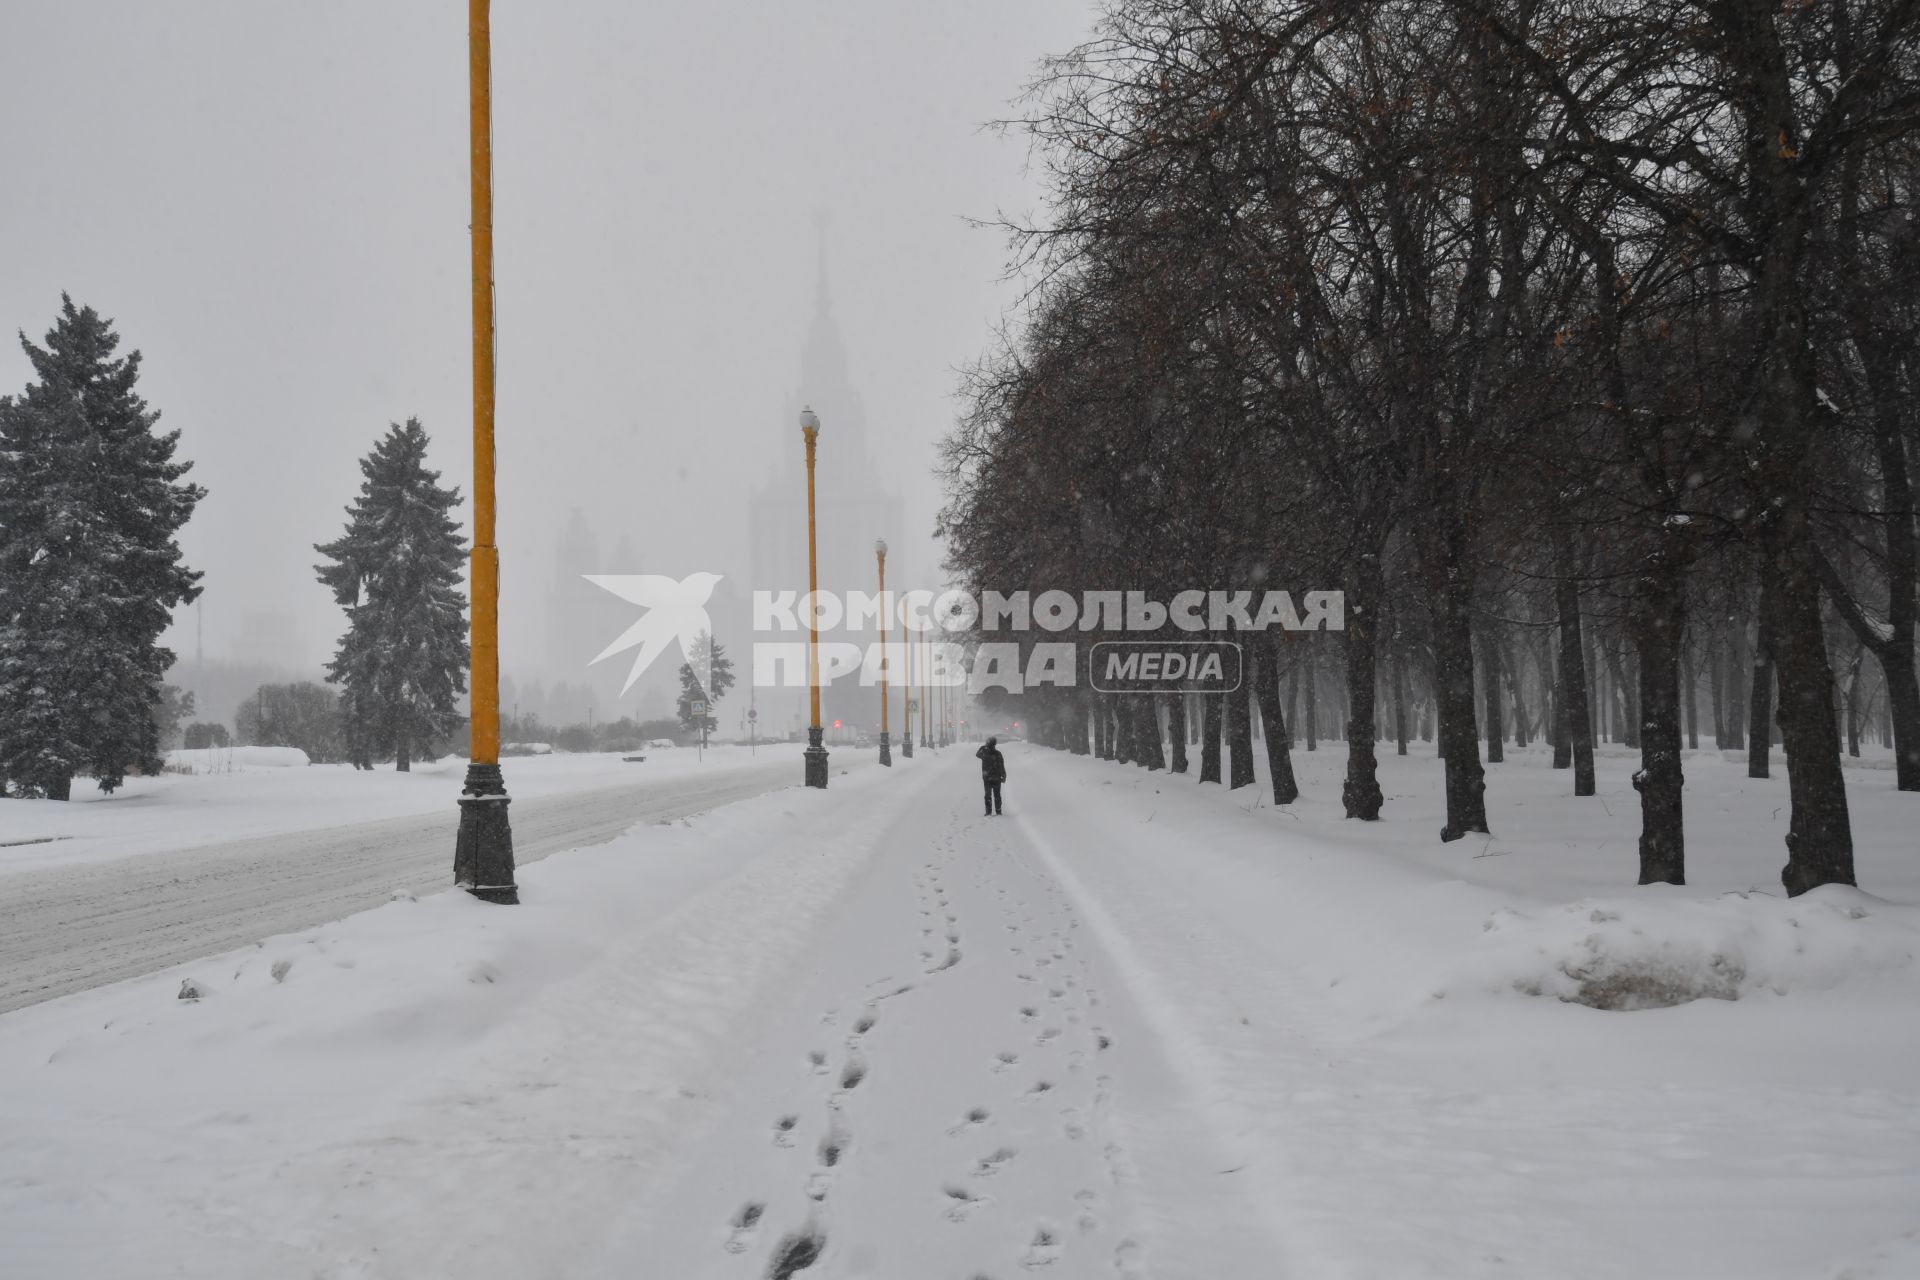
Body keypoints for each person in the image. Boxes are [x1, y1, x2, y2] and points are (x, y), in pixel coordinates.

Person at [976, 735, 1006, 816]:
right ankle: (998, 811)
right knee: (997, 795)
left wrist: (984, 746)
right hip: (996, 777)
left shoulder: (984, 753)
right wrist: (1003, 775)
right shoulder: (998, 753)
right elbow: (1001, 765)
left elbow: (977, 754)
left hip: (987, 778)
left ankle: (988, 812)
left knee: (987, 795)